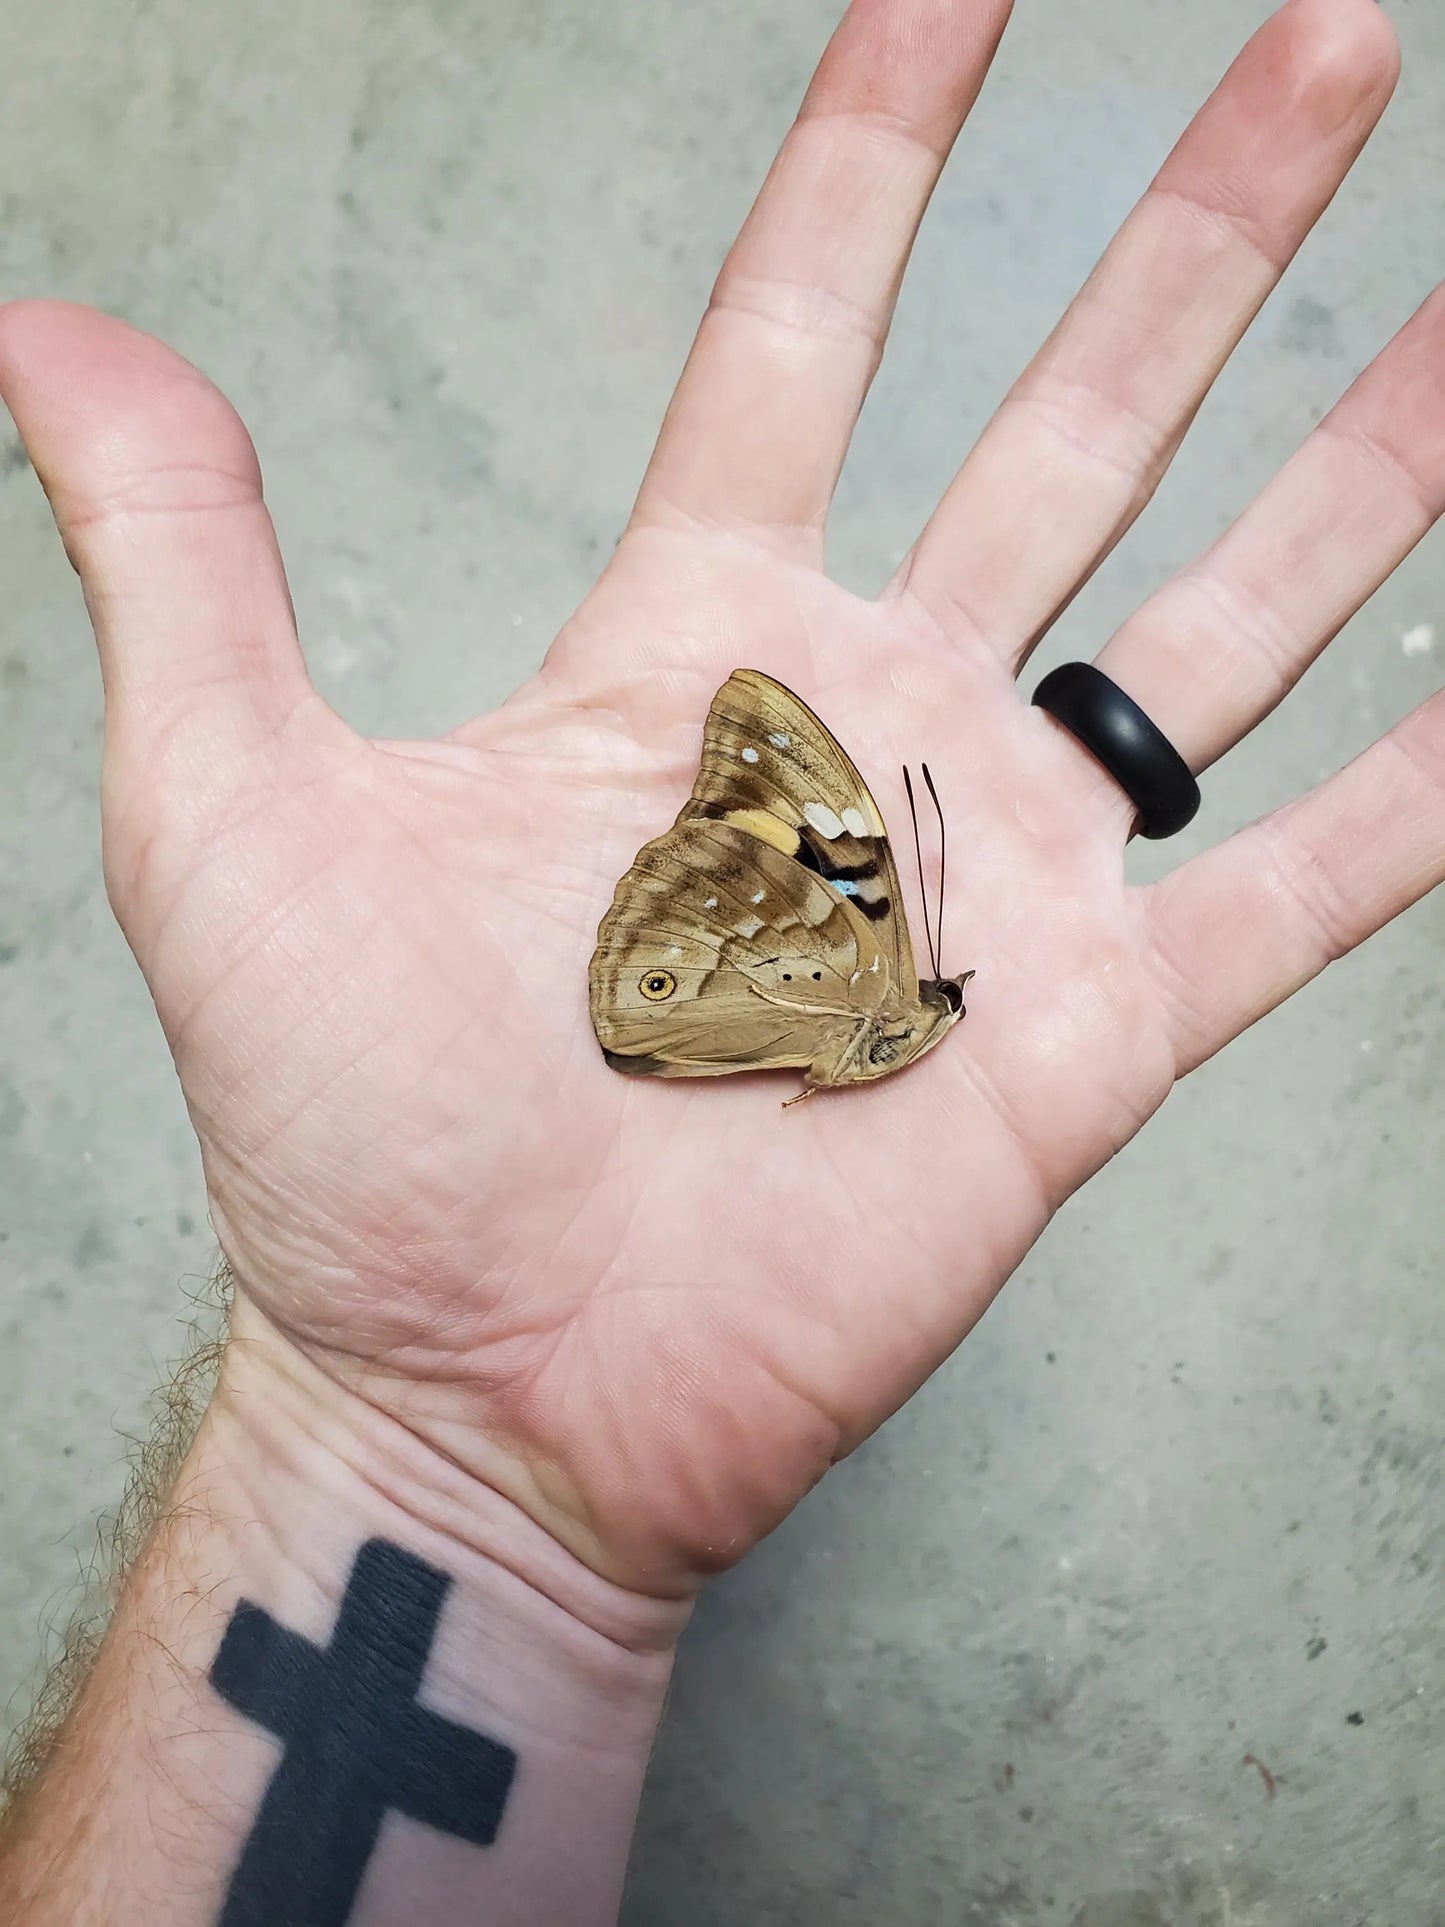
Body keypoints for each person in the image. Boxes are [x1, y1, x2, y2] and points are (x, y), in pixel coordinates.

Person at [0, 0, 1437, 1919]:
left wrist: (412, 1471)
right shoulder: (859, 983)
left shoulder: (880, 1010)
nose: (935, 1010)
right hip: (695, 1014)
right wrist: (408, 1442)